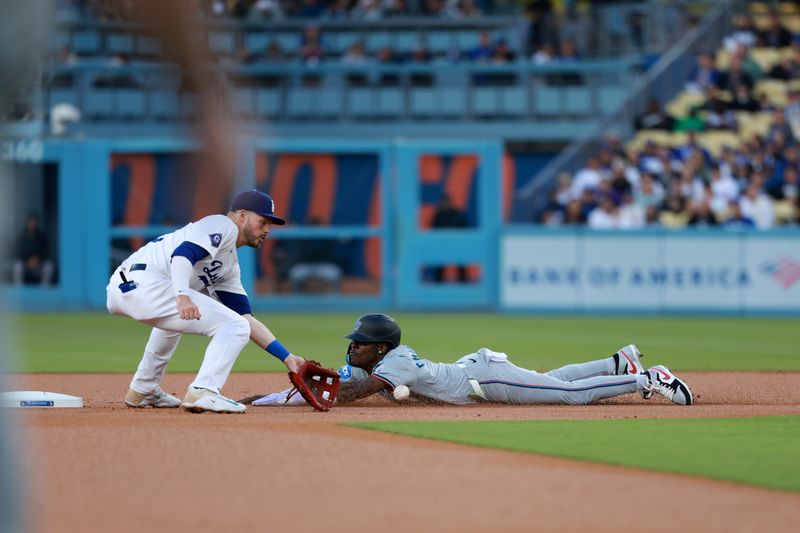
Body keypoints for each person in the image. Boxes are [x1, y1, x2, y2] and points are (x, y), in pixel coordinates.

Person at [106, 190, 306, 413]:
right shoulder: (222, 225)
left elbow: (246, 319)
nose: (267, 230)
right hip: (145, 281)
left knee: (184, 325)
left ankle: (143, 389)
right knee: (232, 326)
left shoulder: (228, 266)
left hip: (123, 288)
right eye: (263, 221)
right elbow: (182, 255)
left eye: (270, 224)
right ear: (241, 215)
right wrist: (182, 295)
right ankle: (204, 391)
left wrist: (287, 358)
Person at [247, 314, 693, 407]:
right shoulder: (371, 362)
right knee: (549, 379)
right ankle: (618, 361)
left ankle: (645, 378)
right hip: (471, 371)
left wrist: (321, 387)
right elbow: (336, 384)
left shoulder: (394, 363)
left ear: (380, 348)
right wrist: (263, 398)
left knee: (566, 395)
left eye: (360, 344)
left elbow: (353, 393)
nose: (352, 349)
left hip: (487, 379)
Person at [12, 213, 55, 286]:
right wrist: (27, 260)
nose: (32, 225)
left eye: (34, 223)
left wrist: (38, 259)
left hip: (39, 264)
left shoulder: (42, 237)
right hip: (25, 265)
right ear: (27, 223)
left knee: (49, 266)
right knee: (17, 267)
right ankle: (19, 290)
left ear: (37, 224)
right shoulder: (22, 236)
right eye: (31, 223)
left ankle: (44, 291)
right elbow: (18, 252)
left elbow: (46, 252)